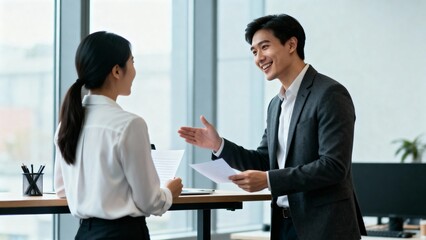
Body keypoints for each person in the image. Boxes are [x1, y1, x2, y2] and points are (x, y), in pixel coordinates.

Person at [178, 14, 366, 240]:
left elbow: (333, 166)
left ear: (291, 45)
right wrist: (219, 145)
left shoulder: (329, 94)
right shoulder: (276, 105)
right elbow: (264, 160)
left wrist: (268, 180)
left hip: (324, 227)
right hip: (284, 224)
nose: (259, 58)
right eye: (254, 52)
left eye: (264, 47)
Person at [54, 31, 183, 240]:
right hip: (123, 234)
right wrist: (169, 191)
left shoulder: (67, 124)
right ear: (116, 71)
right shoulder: (129, 124)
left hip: (84, 234)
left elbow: (61, 189)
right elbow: (150, 201)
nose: (134, 70)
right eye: (132, 62)